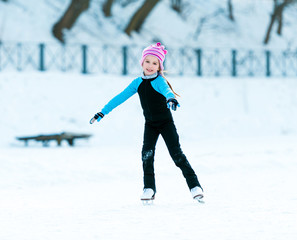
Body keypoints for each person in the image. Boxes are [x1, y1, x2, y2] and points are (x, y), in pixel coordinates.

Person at [90, 42, 204, 202]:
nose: (150, 65)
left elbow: (167, 91)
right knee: (147, 156)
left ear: (159, 67)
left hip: (165, 123)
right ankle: (149, 189)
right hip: (150, 124)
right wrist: (103, 112)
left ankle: (195, 186)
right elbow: (120, 97)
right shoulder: (137, 83)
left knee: (177, 155)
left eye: (155, 63)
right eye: (148, 61)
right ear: (142, 62)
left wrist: (171, 98)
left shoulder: (159, 81)